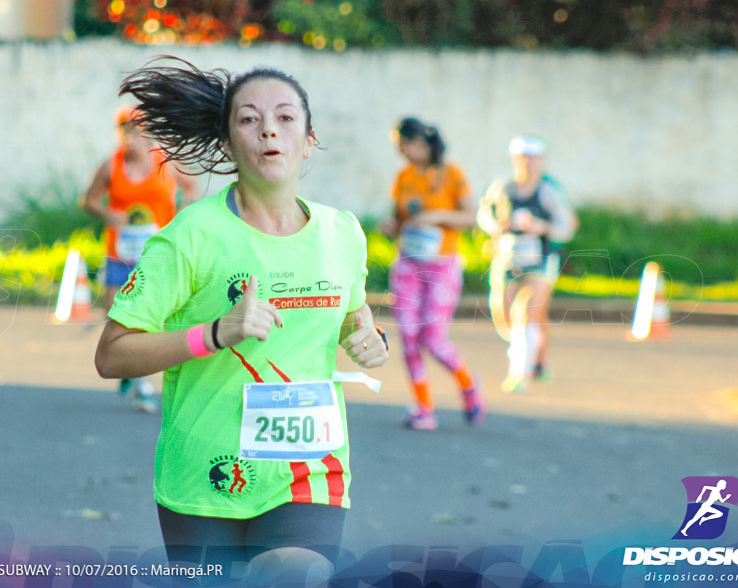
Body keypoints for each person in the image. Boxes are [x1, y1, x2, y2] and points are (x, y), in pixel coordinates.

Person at [93, 57, 388, 582]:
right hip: (206, 475)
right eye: (249, 119)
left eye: (285, 117)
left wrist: (366, 334)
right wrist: (214, 334)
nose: (269, 128)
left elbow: (350, 309)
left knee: (296, 574)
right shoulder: (189, 238)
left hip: (310, 468)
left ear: (309, 138)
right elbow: (112, 354)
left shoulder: (342, 233)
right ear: (227, 145)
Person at [82, 104, 198, 411]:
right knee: (116, 316)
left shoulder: (166, 162)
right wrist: (108, 213)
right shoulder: (111, 166)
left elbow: (191, 188)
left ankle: (141, 383)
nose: (129, 137)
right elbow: (88, 200)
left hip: (156, 254)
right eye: (124, 130)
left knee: (151, 322)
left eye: (135, 130)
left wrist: (182, 215)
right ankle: (132, 374)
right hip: (120, 253)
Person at [378, 117, 484, 430]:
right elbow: (398, 219)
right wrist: (391, 228)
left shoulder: (452, 174)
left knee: (433, 339)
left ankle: (468, 383)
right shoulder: (403, 177)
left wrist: (437, 215)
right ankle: (423, 407)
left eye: (404, 144)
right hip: (408, 263)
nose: (401, 152)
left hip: (441, 266)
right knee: (409, 337)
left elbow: (470, 217)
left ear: (421, 143)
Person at [477, 135, 576, 393]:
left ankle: (519, 371)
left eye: (533, 158)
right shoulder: (503, 187)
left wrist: (539, 227)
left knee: (527, 310)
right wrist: (495, 226)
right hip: (508, 258)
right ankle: (539, 360)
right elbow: (484, 213)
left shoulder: (548, 191)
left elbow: (566, 227)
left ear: (541, 161)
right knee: (505, 315)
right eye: (523, 158)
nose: (528, 163)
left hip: (540, 260)